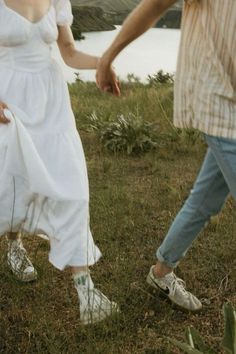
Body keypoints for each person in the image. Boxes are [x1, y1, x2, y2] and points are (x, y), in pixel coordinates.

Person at [96, 0, 236, 312]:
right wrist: (107, 57)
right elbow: (156, 4)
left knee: (204, 199)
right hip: (219, 102)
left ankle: (161, 273)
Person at [0, 0, 119, 324]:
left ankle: (87, 291)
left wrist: (103, 62)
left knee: (73, 188)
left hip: (52, 103)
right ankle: (14, 245)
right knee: (11, 186)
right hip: (9, 101)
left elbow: (68, 52)